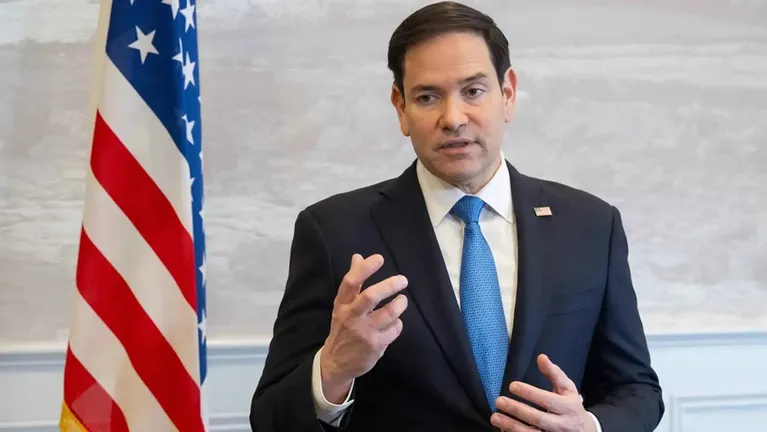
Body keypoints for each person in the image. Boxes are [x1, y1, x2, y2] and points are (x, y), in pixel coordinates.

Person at [249, 2, 664, 431]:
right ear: (400, 107)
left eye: (473, 91)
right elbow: (269, 418)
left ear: (508, 94)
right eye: (427, 97)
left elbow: (637, 390)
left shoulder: (591, 225)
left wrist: (589, 427)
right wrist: (334, 369)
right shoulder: (334, 232)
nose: (452, 118)